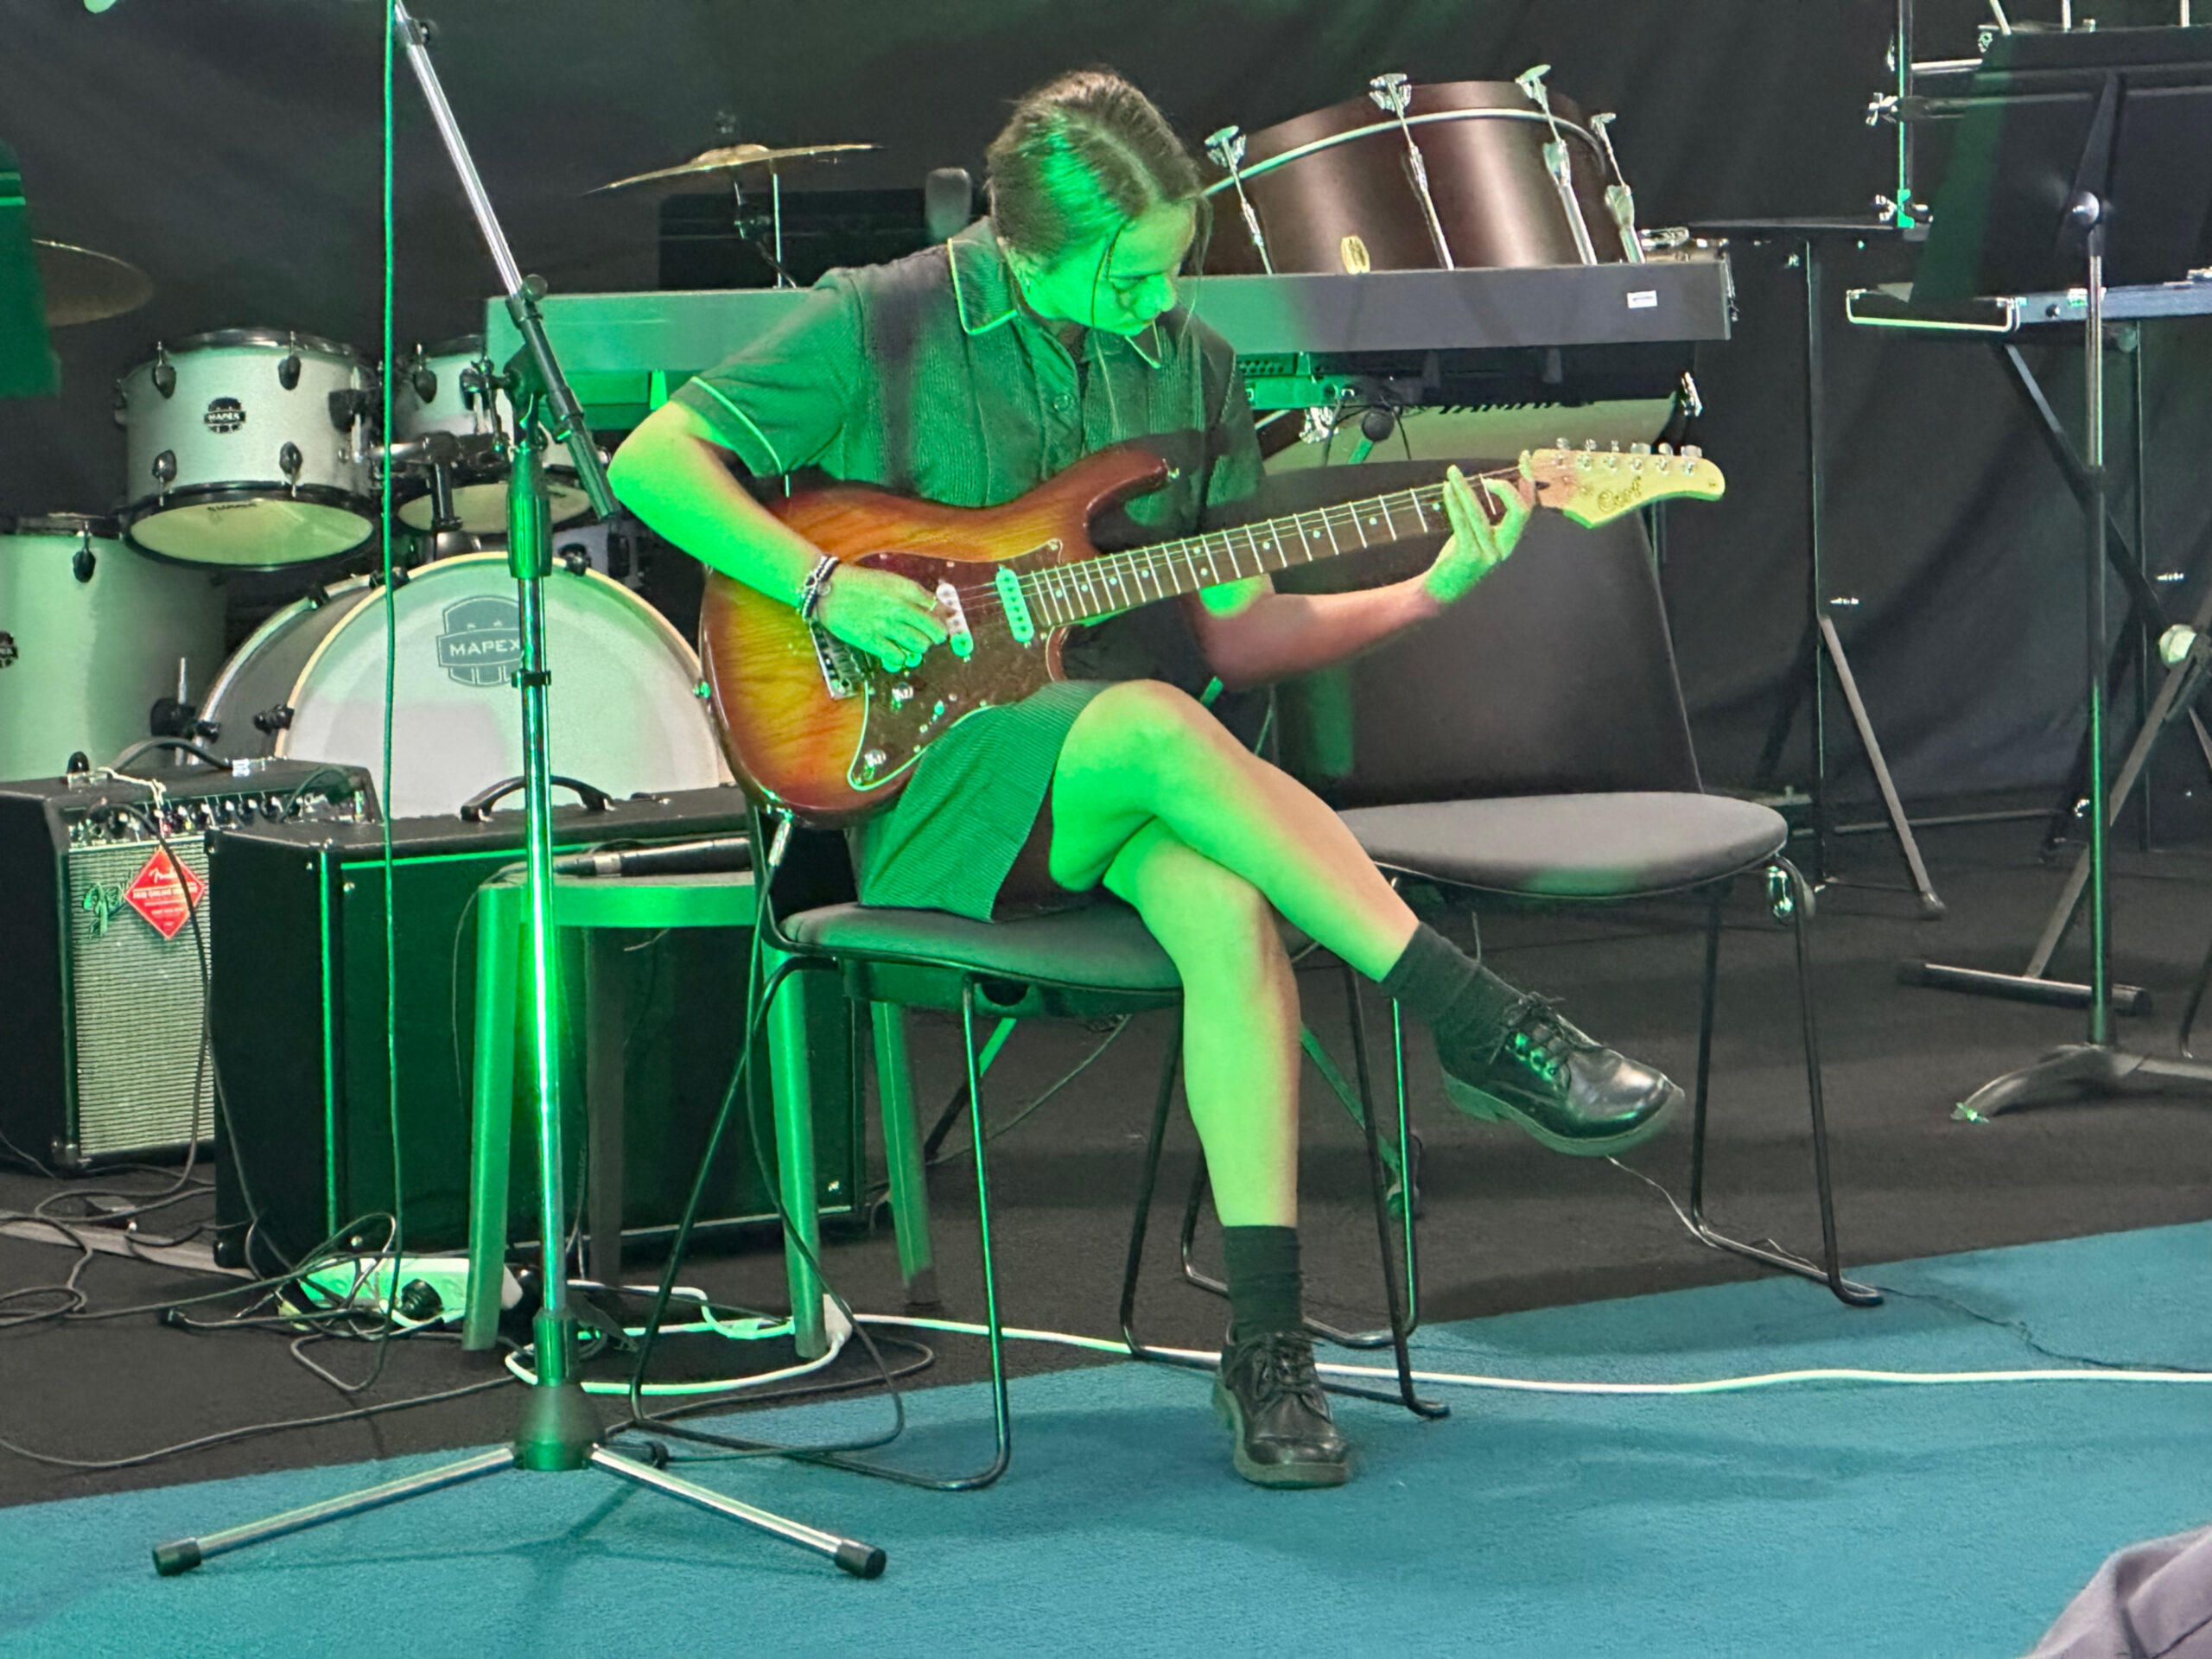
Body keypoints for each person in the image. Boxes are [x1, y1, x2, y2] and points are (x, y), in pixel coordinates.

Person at [609, 68, 1682, 1491]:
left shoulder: (1193, 366)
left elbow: (1243, 630)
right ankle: (1478, 1020)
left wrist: (1431, 587)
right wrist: (822, 582)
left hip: (1107, 774)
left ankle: (1268, 1346)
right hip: (920, 769)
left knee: (1226, 910)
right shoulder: (888, 318)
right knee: (1163, 730)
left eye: (1174, 265)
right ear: (1020, 244)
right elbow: (653, 464)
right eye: (1127, 276)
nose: (1158, 299)